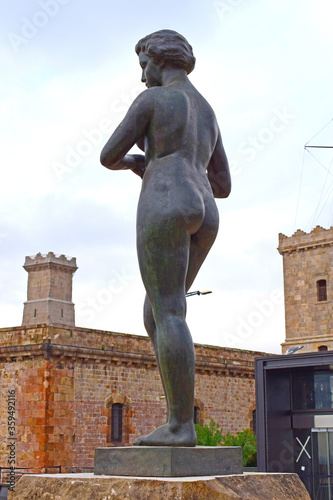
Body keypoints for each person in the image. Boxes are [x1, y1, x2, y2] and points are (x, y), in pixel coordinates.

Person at [100, 30, 231, 446]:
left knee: (169, 312)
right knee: (156, 314)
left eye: (144, 66)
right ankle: (178, 418)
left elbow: (107, 155)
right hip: (206, 209)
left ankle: (180, 426)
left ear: (160, 59)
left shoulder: (153, 101)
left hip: (166, 196)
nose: (142, 77)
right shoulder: (207, 111)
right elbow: (223, 184)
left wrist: (143, 162)